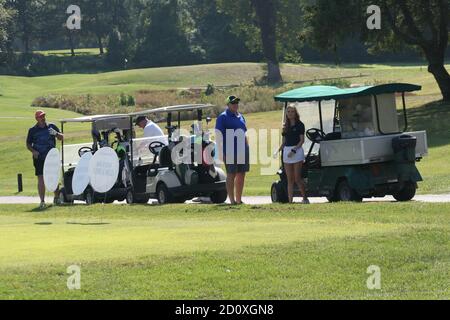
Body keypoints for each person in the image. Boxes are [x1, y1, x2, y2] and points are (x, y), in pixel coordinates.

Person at [215, 96, 250, 205]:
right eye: (233, 103)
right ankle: (232, 200)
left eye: (236, 102)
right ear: (228, 104)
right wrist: (221, 152)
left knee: (241, 174)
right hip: (229, 150)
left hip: (242, 149)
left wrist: (246, 146)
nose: (235, 104)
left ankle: (239, 200)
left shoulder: (241, 116)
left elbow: (244, 133)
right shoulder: (222, 117)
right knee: (231, 174)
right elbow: (218, 135)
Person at [26, 110, 64, 209]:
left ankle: (56, 197)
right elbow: (28, 144)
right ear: (37, 119)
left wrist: (55, 133)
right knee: (41, 178)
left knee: (54, 177)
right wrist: (33, 151)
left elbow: (61, 137)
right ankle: (42, 201)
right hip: (39, 157)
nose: (43, 118)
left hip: (51, 157)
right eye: (40, 117)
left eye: (43, 116)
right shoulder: (32, 130)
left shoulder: (52, 127)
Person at [279, 105, 309, 204]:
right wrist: (279, 150)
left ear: (295, 113)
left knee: (297, 177)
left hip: (296, 151)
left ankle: (305, 198)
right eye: (288, 112)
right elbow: (284, 142)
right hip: (287, 152)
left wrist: (294, 150)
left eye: (292, 111)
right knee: (289, 179)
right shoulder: (285, 126)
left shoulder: (300, 125)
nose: (290, 113)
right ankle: (290, 201)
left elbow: (301, 141)